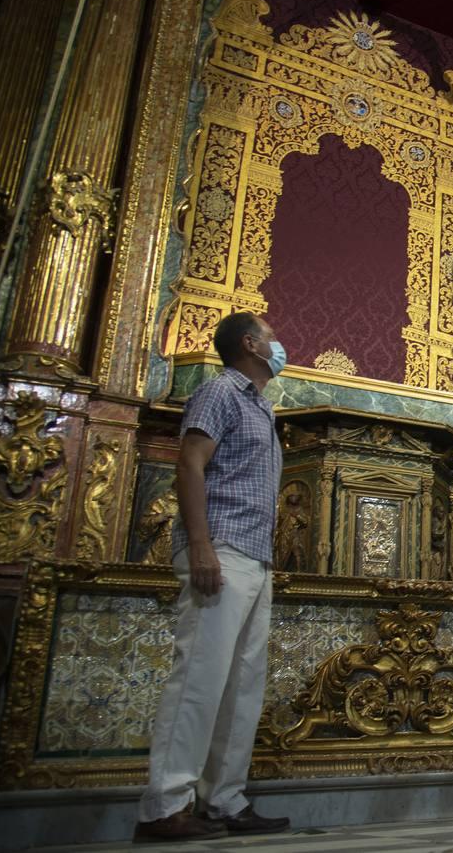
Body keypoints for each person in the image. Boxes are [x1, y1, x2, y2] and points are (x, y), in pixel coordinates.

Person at [135, 312, 291, 843]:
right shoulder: (219, 392)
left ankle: (223, 798)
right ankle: (165, 805)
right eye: (271, 337)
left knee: (241, 684)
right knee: (200, 676)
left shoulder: (261, 405)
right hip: (220, 547)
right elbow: (189, 466)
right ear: (249, 344)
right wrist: (200, 546)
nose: (278, 344)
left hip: (253, 552)